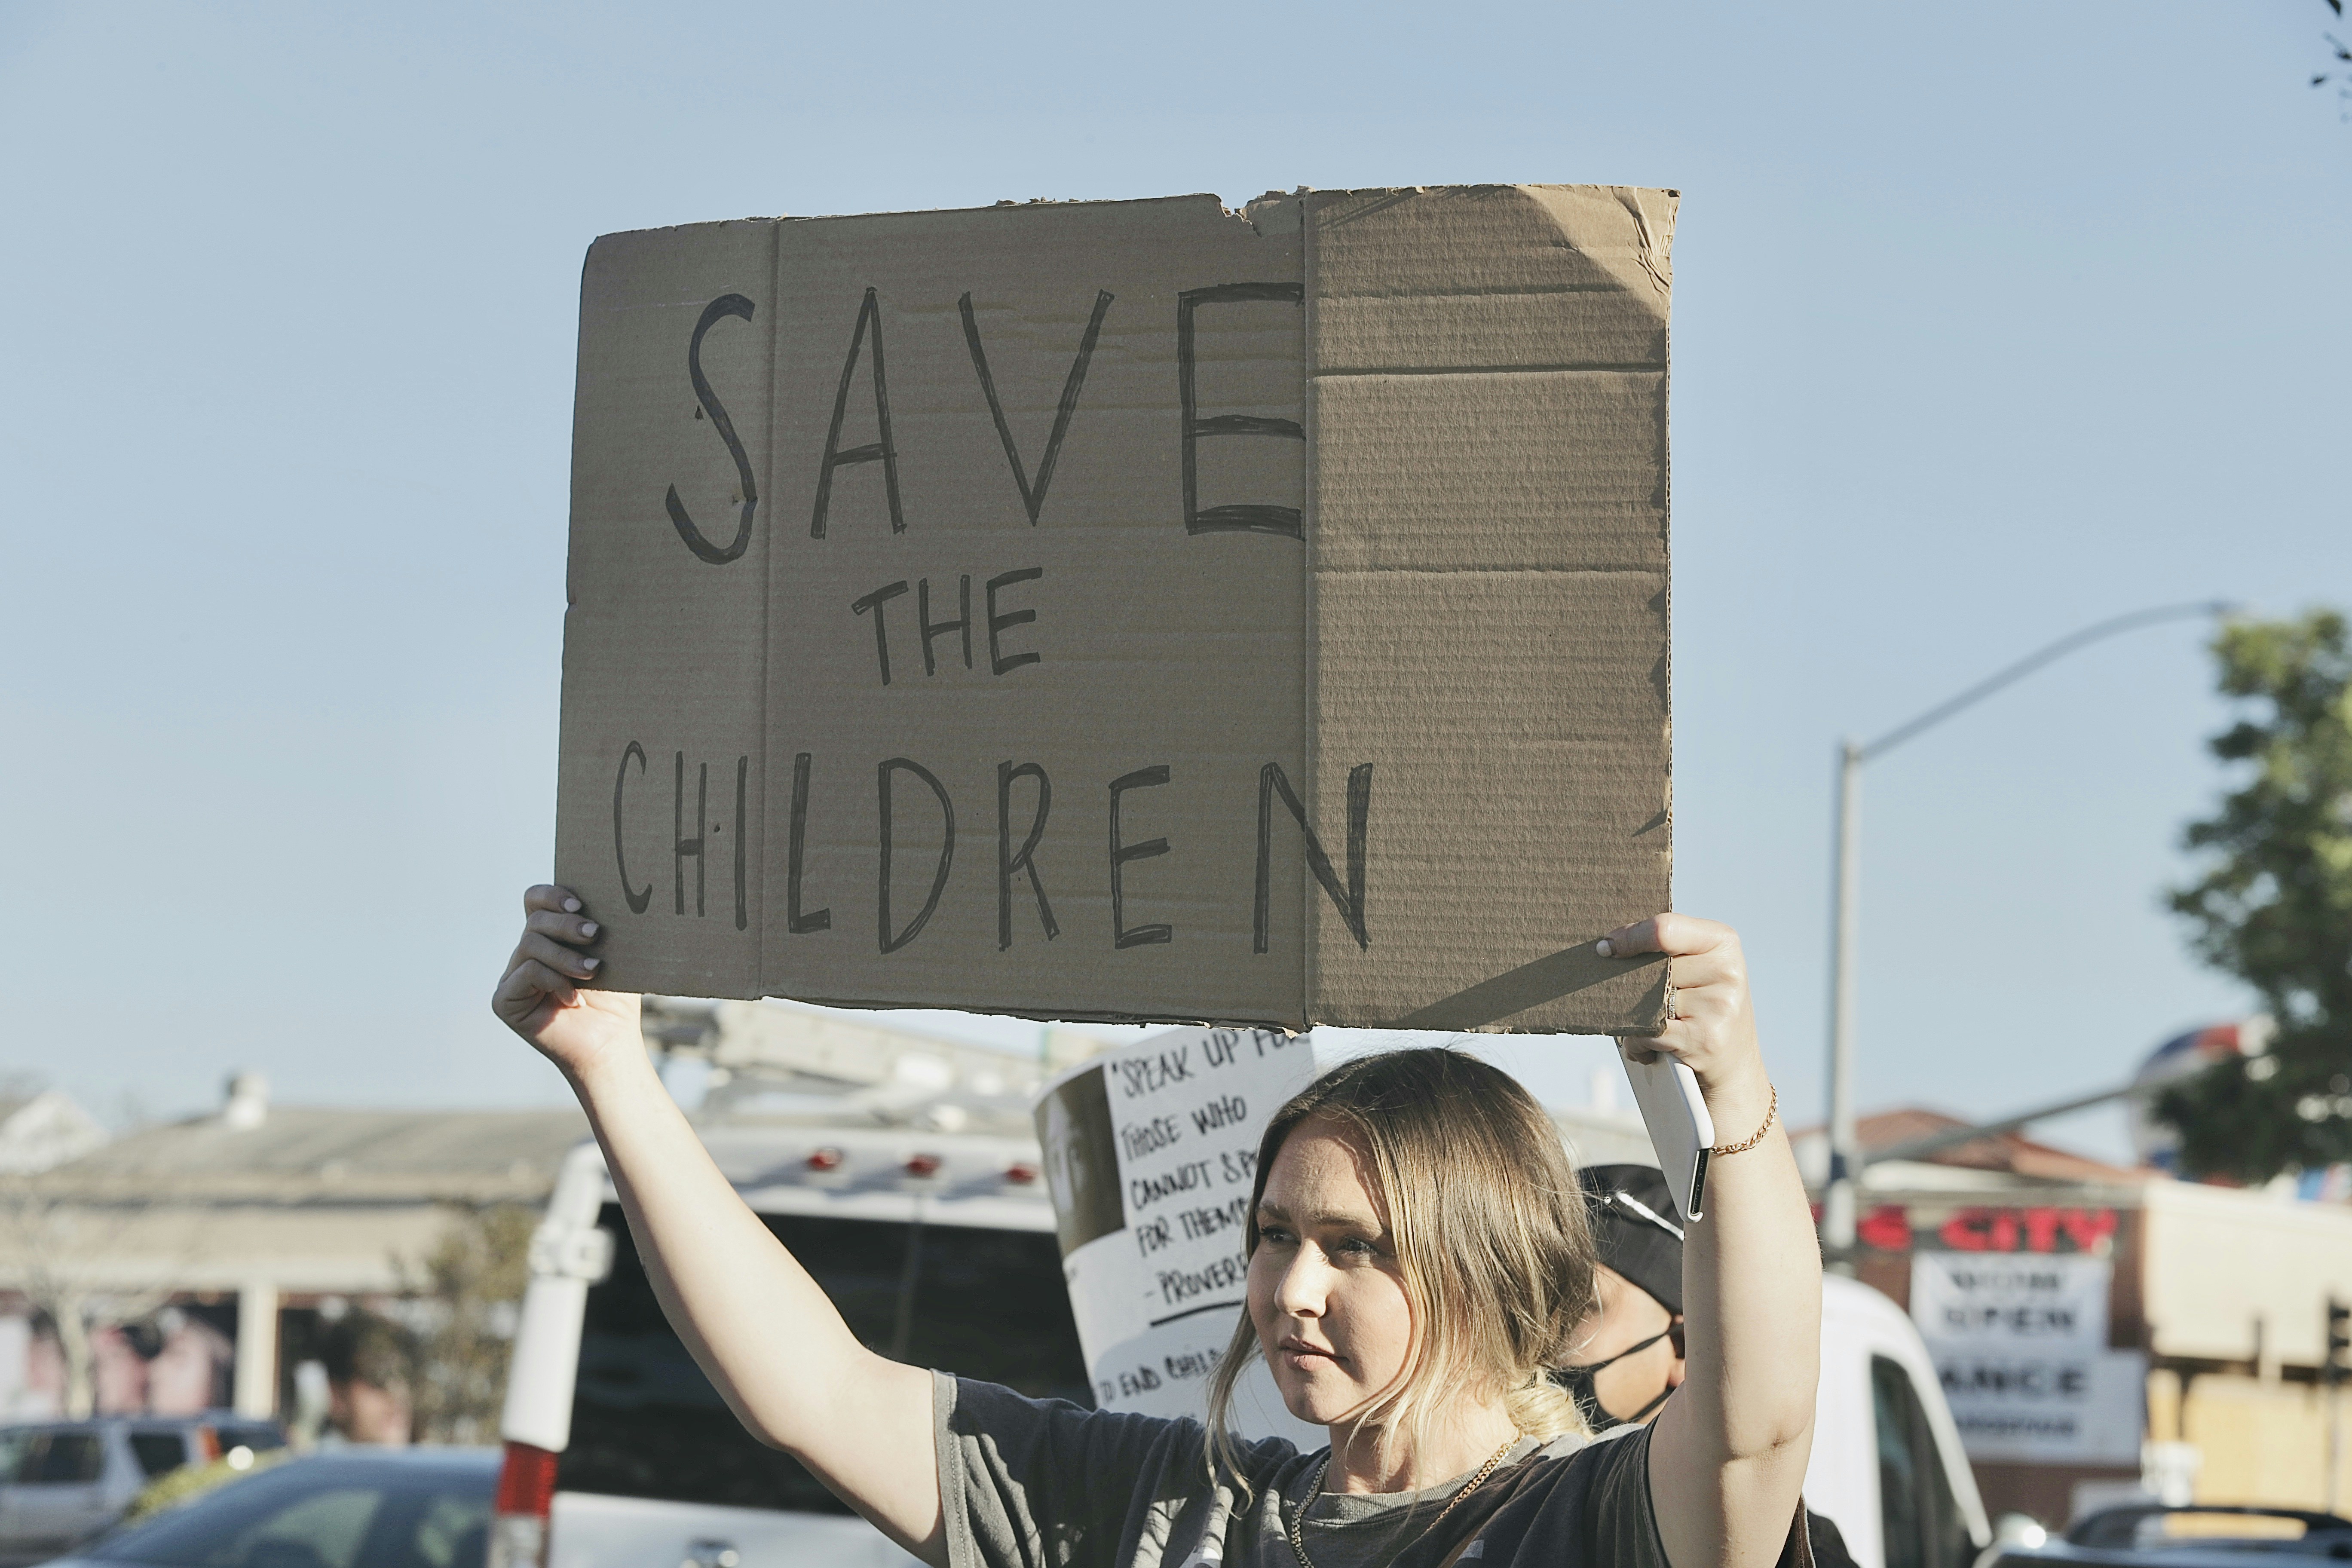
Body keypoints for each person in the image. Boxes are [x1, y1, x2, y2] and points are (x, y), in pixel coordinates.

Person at [496, 893, 1822, 1568]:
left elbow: (1756, 1429)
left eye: (1359, 1247)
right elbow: (821, 1393)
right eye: (1274, 1233)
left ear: (1480, 1267)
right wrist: (610, 1067)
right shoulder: (1173, 1507)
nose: (1293, 1287)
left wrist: (1737, 1089)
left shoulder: (1584, 1520)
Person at [1561, 1164, 1857, 1568]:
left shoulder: (1792, 1554)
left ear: (1686, 1349)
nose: (1538, 1338)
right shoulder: (1498, 1495)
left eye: (1579, 1308)